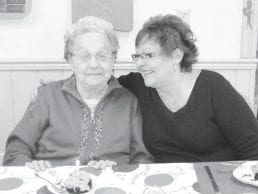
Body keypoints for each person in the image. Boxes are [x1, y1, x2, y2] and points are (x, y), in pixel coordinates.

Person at [2, 16, 153, 170]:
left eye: (102, 55)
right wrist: (33, 168)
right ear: (69, 59)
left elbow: (141, 158)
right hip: (52, 185)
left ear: (113, 59)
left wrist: (116, 170)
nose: (94, 64)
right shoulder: (47, 96)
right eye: (84, 56)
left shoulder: (128, 101)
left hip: (109, 189)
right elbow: (15, 152)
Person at [118, 14, 258, 163]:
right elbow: (101, 82)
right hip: (166, 182)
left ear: (176, 56)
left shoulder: (213, 87)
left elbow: (256, 150)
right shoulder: (137, 85)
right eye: (137, 56)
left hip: (218, 179)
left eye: (148, 55)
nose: (139, 63)